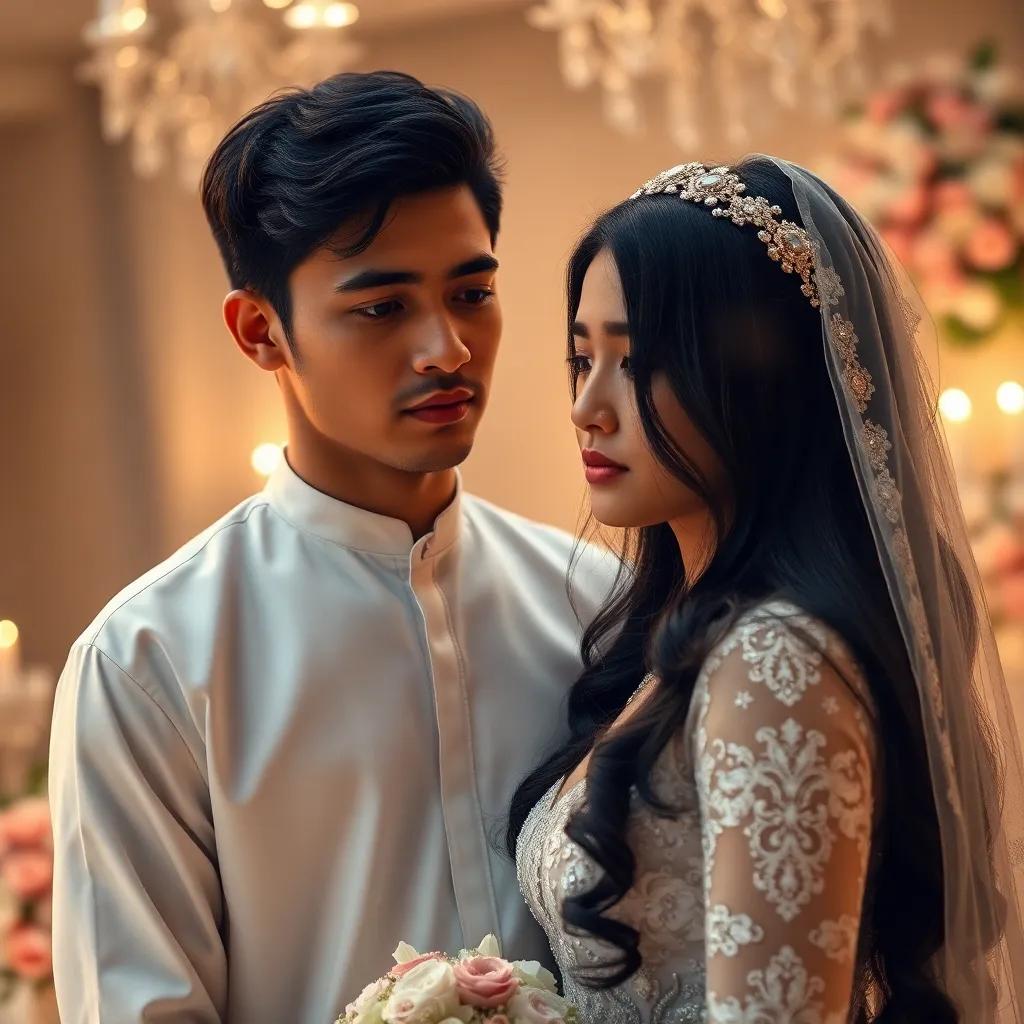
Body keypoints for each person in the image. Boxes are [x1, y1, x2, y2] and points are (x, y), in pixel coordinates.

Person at [48, 71, 613, 1024]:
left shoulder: (596, 601)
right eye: (383, 308)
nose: (448, 349)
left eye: (472, 291)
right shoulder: (148, 661)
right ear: (260, 331)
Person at [511, 156, 1024, 1022]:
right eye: (581, 358)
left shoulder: (774, 660)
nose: (586, 407)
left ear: (755, 378)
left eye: (634, 362)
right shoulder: (675, 637)